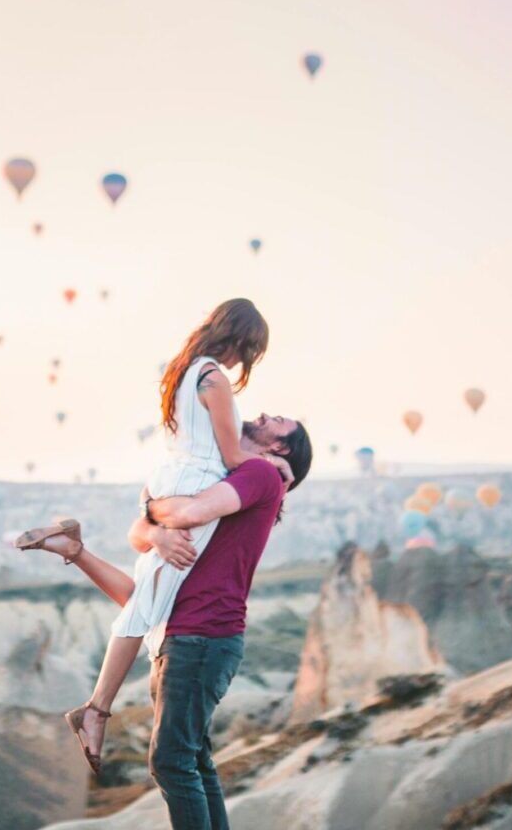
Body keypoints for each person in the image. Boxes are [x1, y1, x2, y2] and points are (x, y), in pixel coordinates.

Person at [17, 412, 311, 830]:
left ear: (280, 449)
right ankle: (74, 555)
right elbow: (140, 547)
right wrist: (154, 528)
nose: (264, 414)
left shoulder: (260, 474)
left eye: (279, 422)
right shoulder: (227, 475)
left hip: (203, 637)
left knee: (170, 762)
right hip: (178, 635)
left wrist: (153, 508)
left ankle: (96, 710)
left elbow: (187, 513)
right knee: (193, 759)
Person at [18, 299, 272, 772]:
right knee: (147, 607)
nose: (246, 361)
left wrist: (155, 523)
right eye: (251, 349)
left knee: (149, 598)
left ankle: (74, 551)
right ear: (241, 338)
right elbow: (235, 458)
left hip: (166, 480)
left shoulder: (184, 372)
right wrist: (267, 476)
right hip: (197, 486)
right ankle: (95, 711)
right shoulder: (216, 379)